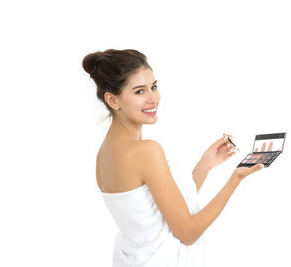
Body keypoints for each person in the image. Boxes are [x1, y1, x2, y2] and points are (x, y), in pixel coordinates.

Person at [82, 49, 264, 267]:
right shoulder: (146, 151)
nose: (153, 98)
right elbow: (188, 233)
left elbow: (160, 214)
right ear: (113, 100)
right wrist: (236, 178)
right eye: (139, 92)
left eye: (154, 87)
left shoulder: (105, 154)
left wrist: (205, 165)